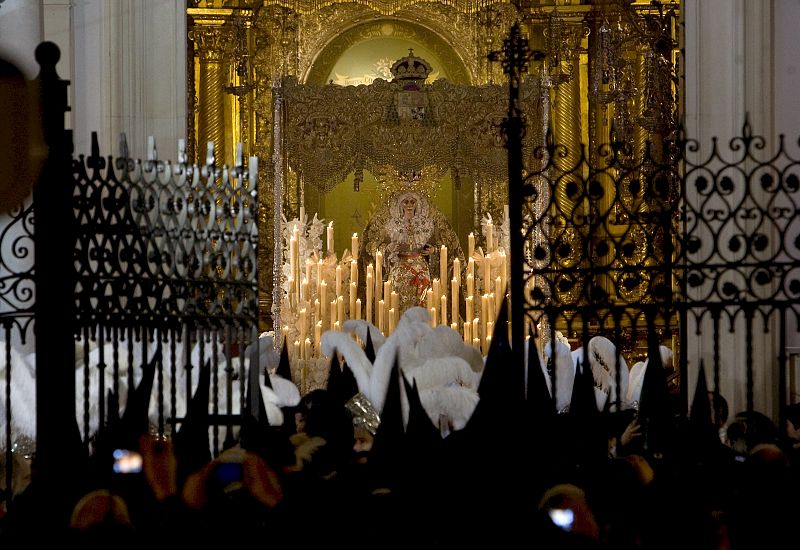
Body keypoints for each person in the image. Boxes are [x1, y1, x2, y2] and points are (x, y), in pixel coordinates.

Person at [363, 191, 465, 317]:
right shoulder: (392, 225)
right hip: (399, 268)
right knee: (397, 297)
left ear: (418, 203)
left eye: (413, 202)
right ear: (400, 205)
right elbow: (375, 246)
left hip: (421, 268)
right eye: (406, 202)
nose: (409, 205)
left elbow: (445, 245)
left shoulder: (426, 224)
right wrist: (389, 248)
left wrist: (434, 251)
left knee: (424, 298)